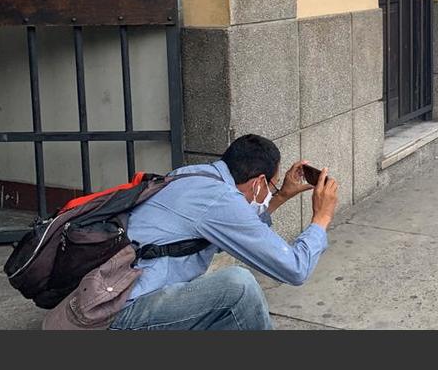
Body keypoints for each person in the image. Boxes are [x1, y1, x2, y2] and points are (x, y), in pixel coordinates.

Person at [108, 134, 339, 330]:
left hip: (118, 297)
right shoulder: (220, 199)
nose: (271, 192)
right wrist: (322, 217)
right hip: (124, 314)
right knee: (239, 287)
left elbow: (237, 228)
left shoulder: (196, 175)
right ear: (258, 182)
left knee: (241, 314)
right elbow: (295, 268)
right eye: (272, 186)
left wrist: (280, 196)